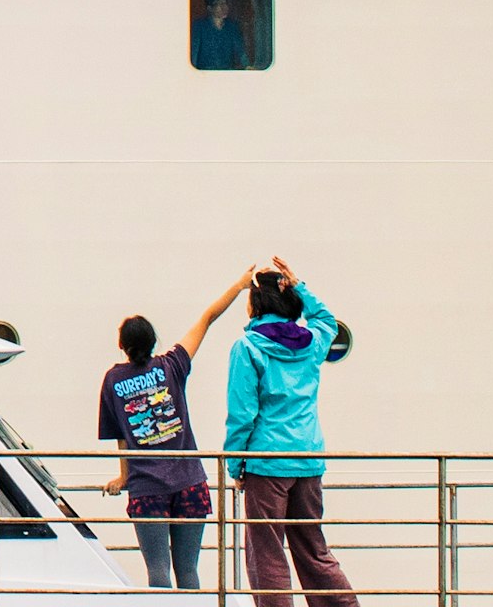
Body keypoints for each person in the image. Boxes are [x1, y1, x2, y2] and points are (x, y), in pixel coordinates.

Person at [219, 259, 353, 607]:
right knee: (313, 549)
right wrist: (299, 286)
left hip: (267, 463)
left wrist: (235, 466)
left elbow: (241, 415)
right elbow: (326, 319)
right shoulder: (312, 342)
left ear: (256, 304)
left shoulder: (247, 348)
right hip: (308, 459)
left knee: (266, 553)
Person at [100, 294, 232, 590]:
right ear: (153, 343)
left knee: (158, 571)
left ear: (121, 345)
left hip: (147, 488)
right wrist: (239, 284)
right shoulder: (171, 365)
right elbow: (208, 317)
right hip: (190, 483)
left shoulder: (113, 381)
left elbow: (121, 437)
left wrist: (124, 477)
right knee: (188, 572)